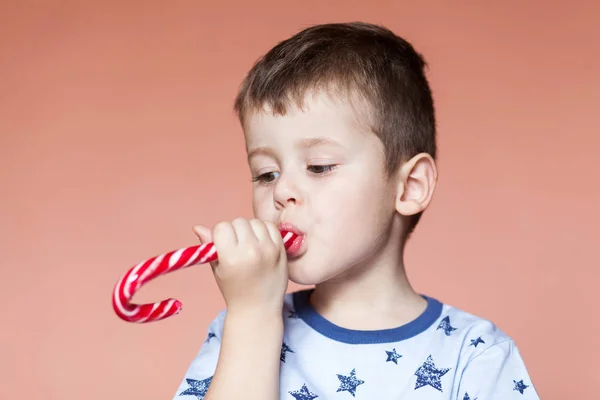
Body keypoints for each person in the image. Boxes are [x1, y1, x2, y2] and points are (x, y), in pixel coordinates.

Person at [172, 22, 540, 400]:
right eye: (266, 174)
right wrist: (253, 319)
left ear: (410, 186)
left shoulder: (475, 356)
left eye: (319, 166)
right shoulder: (241, 329)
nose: (281, 191)